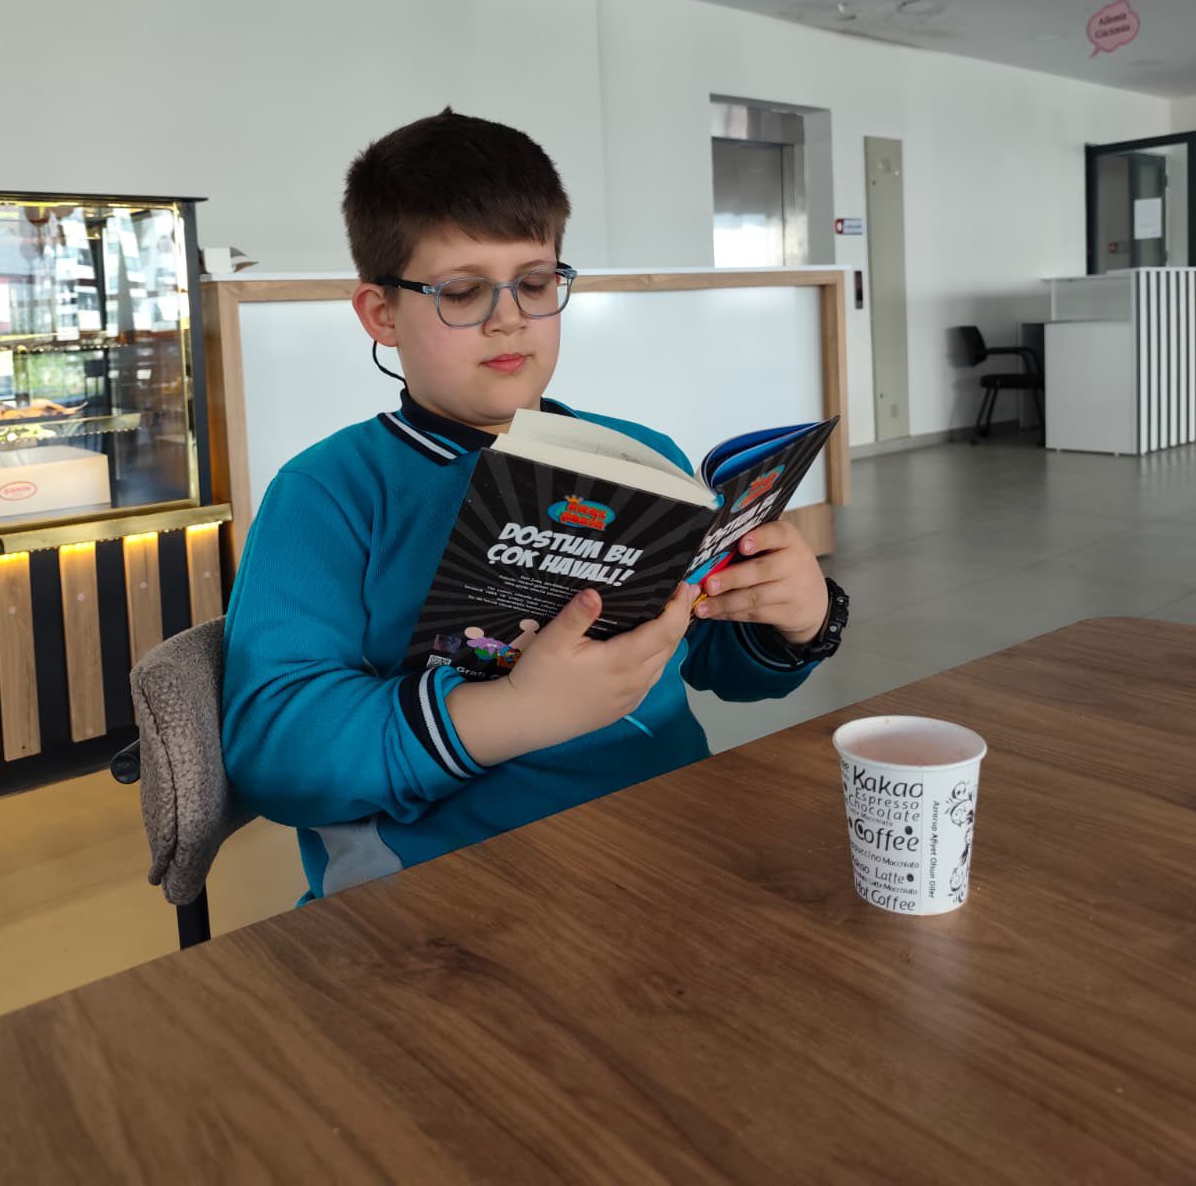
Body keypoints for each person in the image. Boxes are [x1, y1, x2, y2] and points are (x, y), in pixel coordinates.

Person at [221, 110, 849, 900]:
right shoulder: (329, 492)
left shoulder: (640, 457)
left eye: (535, 282)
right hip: (452, 890)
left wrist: (794, 615)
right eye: (461, 291)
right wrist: (509, 714)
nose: (509, 317)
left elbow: (718, 664)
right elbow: (275, 754)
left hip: (671, 844)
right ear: (382, 314)